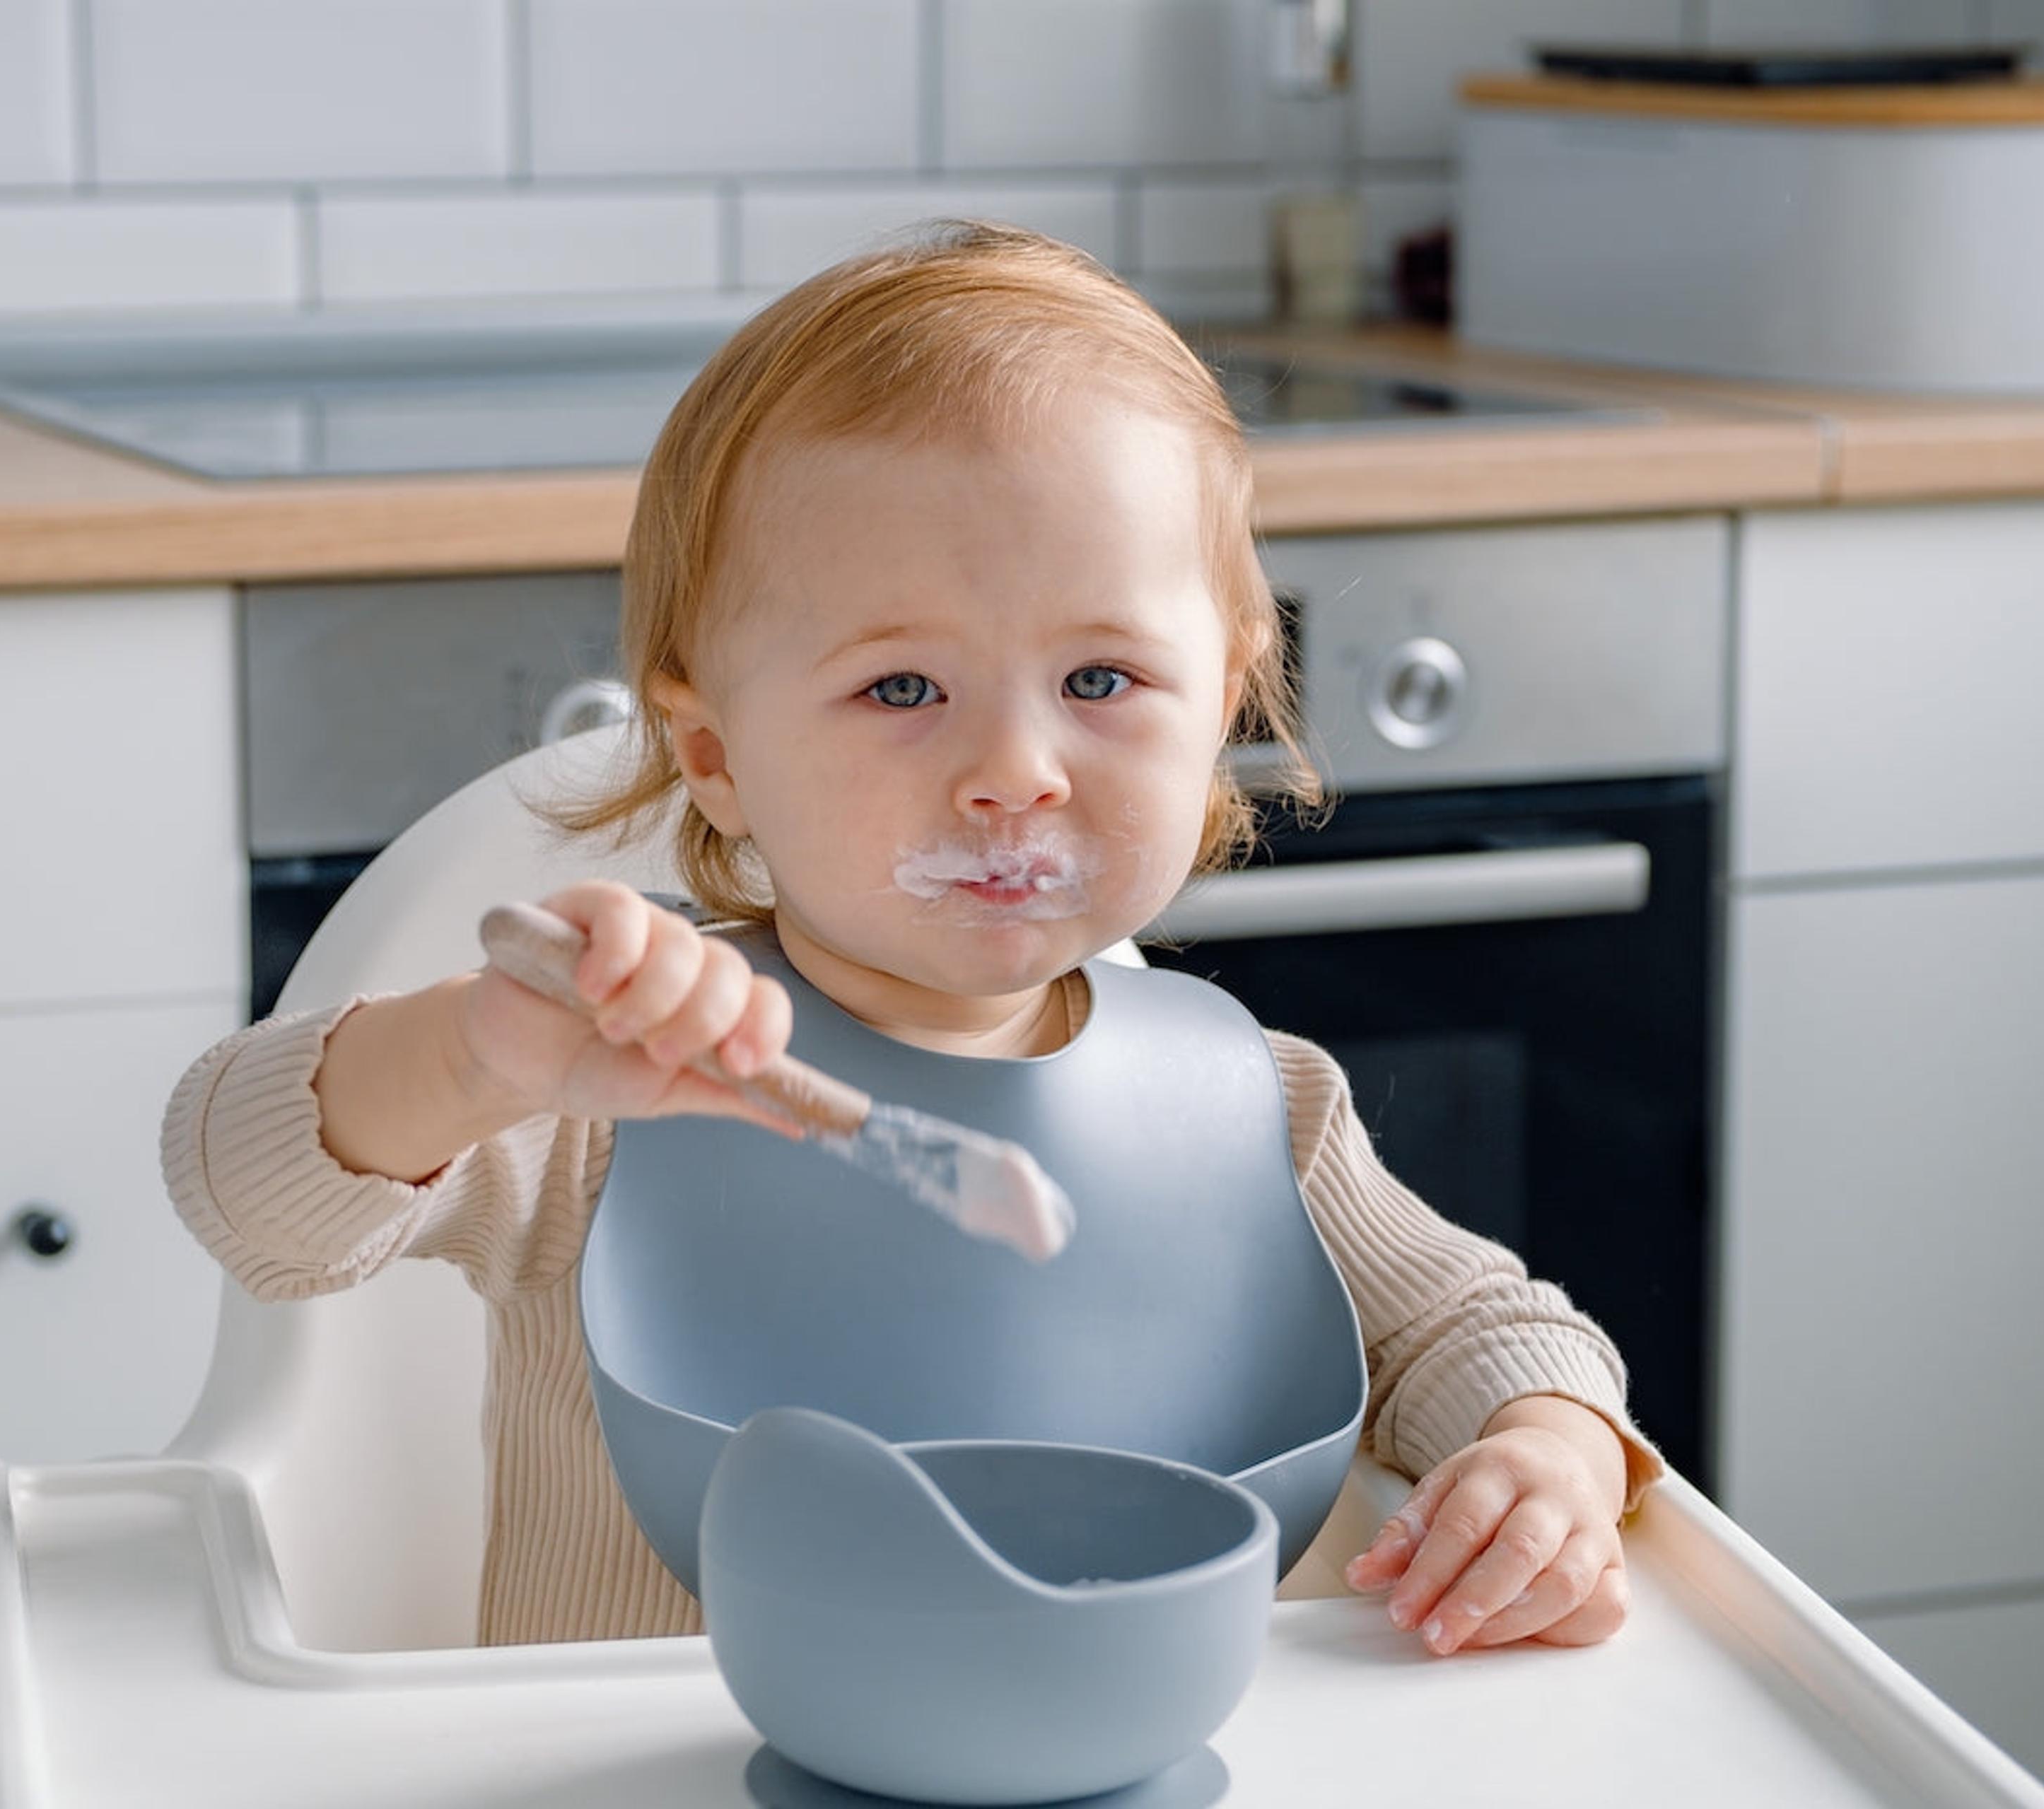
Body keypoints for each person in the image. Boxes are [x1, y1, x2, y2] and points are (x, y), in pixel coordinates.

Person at [162, 220, 1662, 1658]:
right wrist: (477, 1054)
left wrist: (1547, 1452)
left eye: (1100, 675)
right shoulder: (614, 1086)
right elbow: (244, 1196)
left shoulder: (1255, 1105)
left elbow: (1484, 1321)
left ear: (1223, 700)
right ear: (712, 750)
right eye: (901, 689)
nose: (1017, 767)